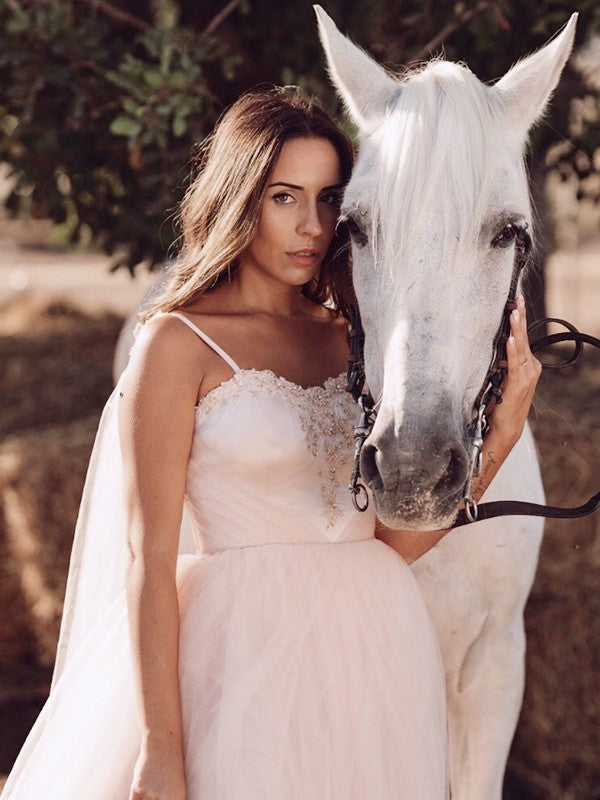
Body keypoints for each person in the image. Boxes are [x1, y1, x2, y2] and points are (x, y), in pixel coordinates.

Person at [1, 87, 541, 800]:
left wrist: (500, 433)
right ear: (240, 196)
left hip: (368, 674)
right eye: (284, 197)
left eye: (328, 199)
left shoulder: (355, 344)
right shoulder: (175, 344)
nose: (310, 226)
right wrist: (162, 748)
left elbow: (385, 552)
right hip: (238, 674)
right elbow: (148, 560)